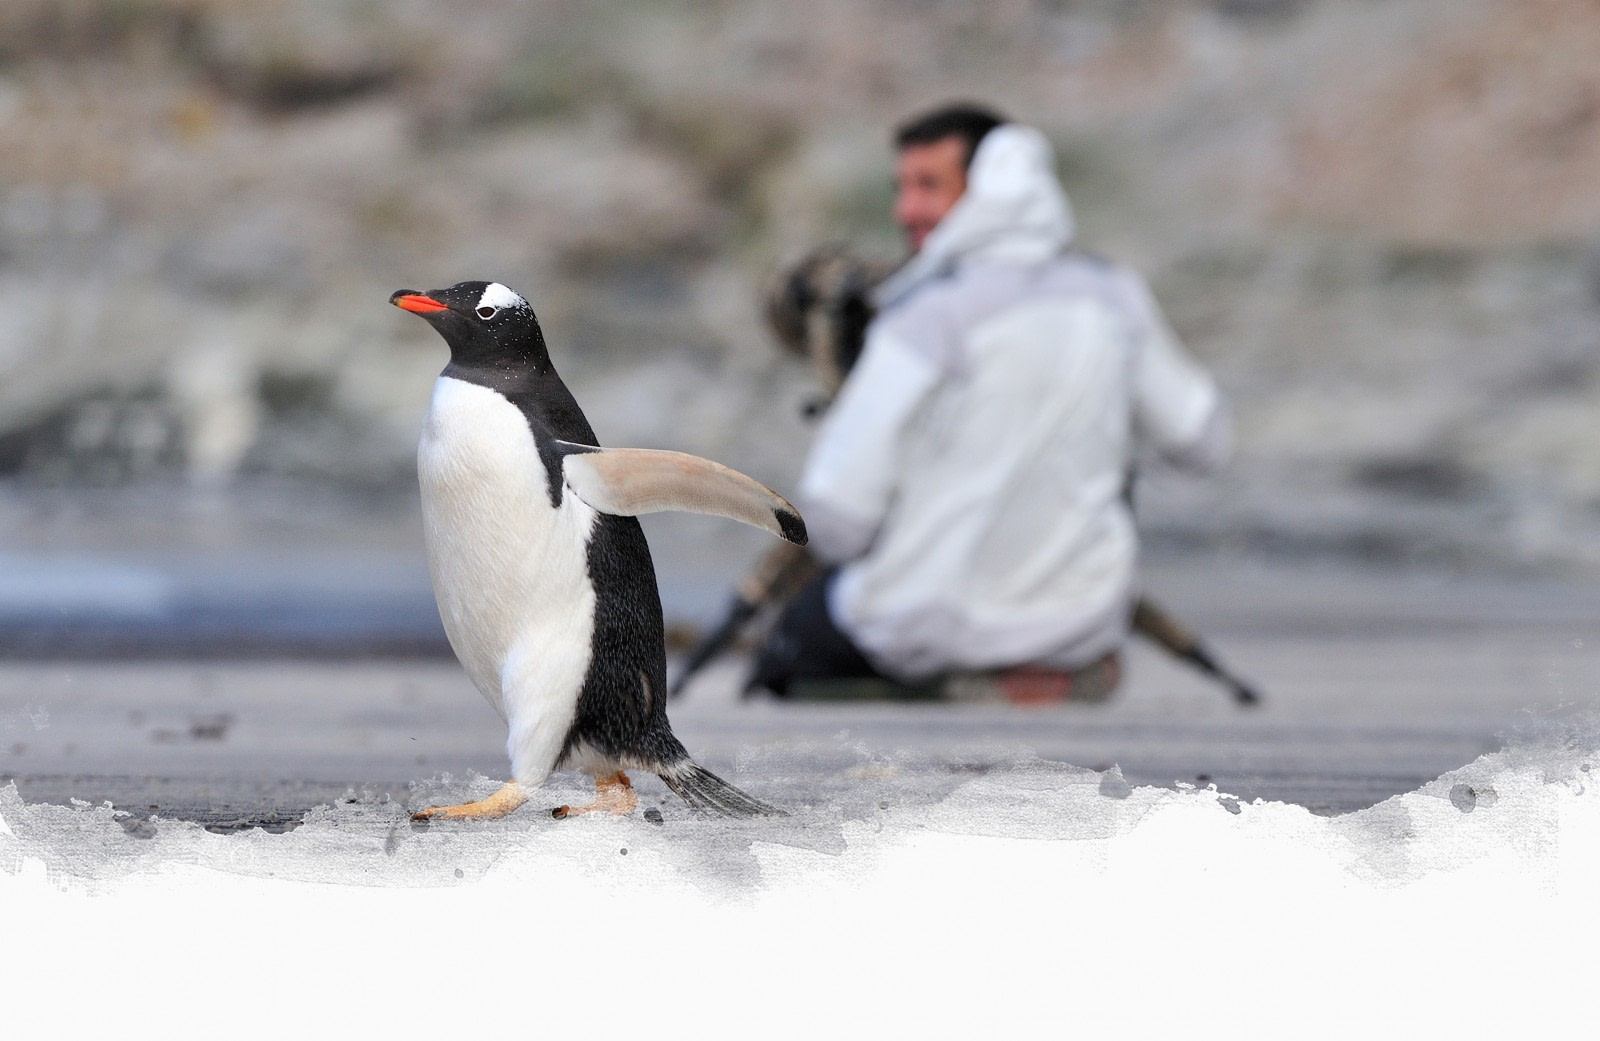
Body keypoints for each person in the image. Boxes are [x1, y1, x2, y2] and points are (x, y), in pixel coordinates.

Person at [745, 103, 1230, 700]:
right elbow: (1203, 445)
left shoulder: (925, 318)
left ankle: (942, 685)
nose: (906, 210)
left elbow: (838, 522)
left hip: (934, 624)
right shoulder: (1115, 297)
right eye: (901, 188)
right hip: (1085, 624)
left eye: (930, 187)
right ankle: (1048, 672)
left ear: (996, 187)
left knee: (790, 649)